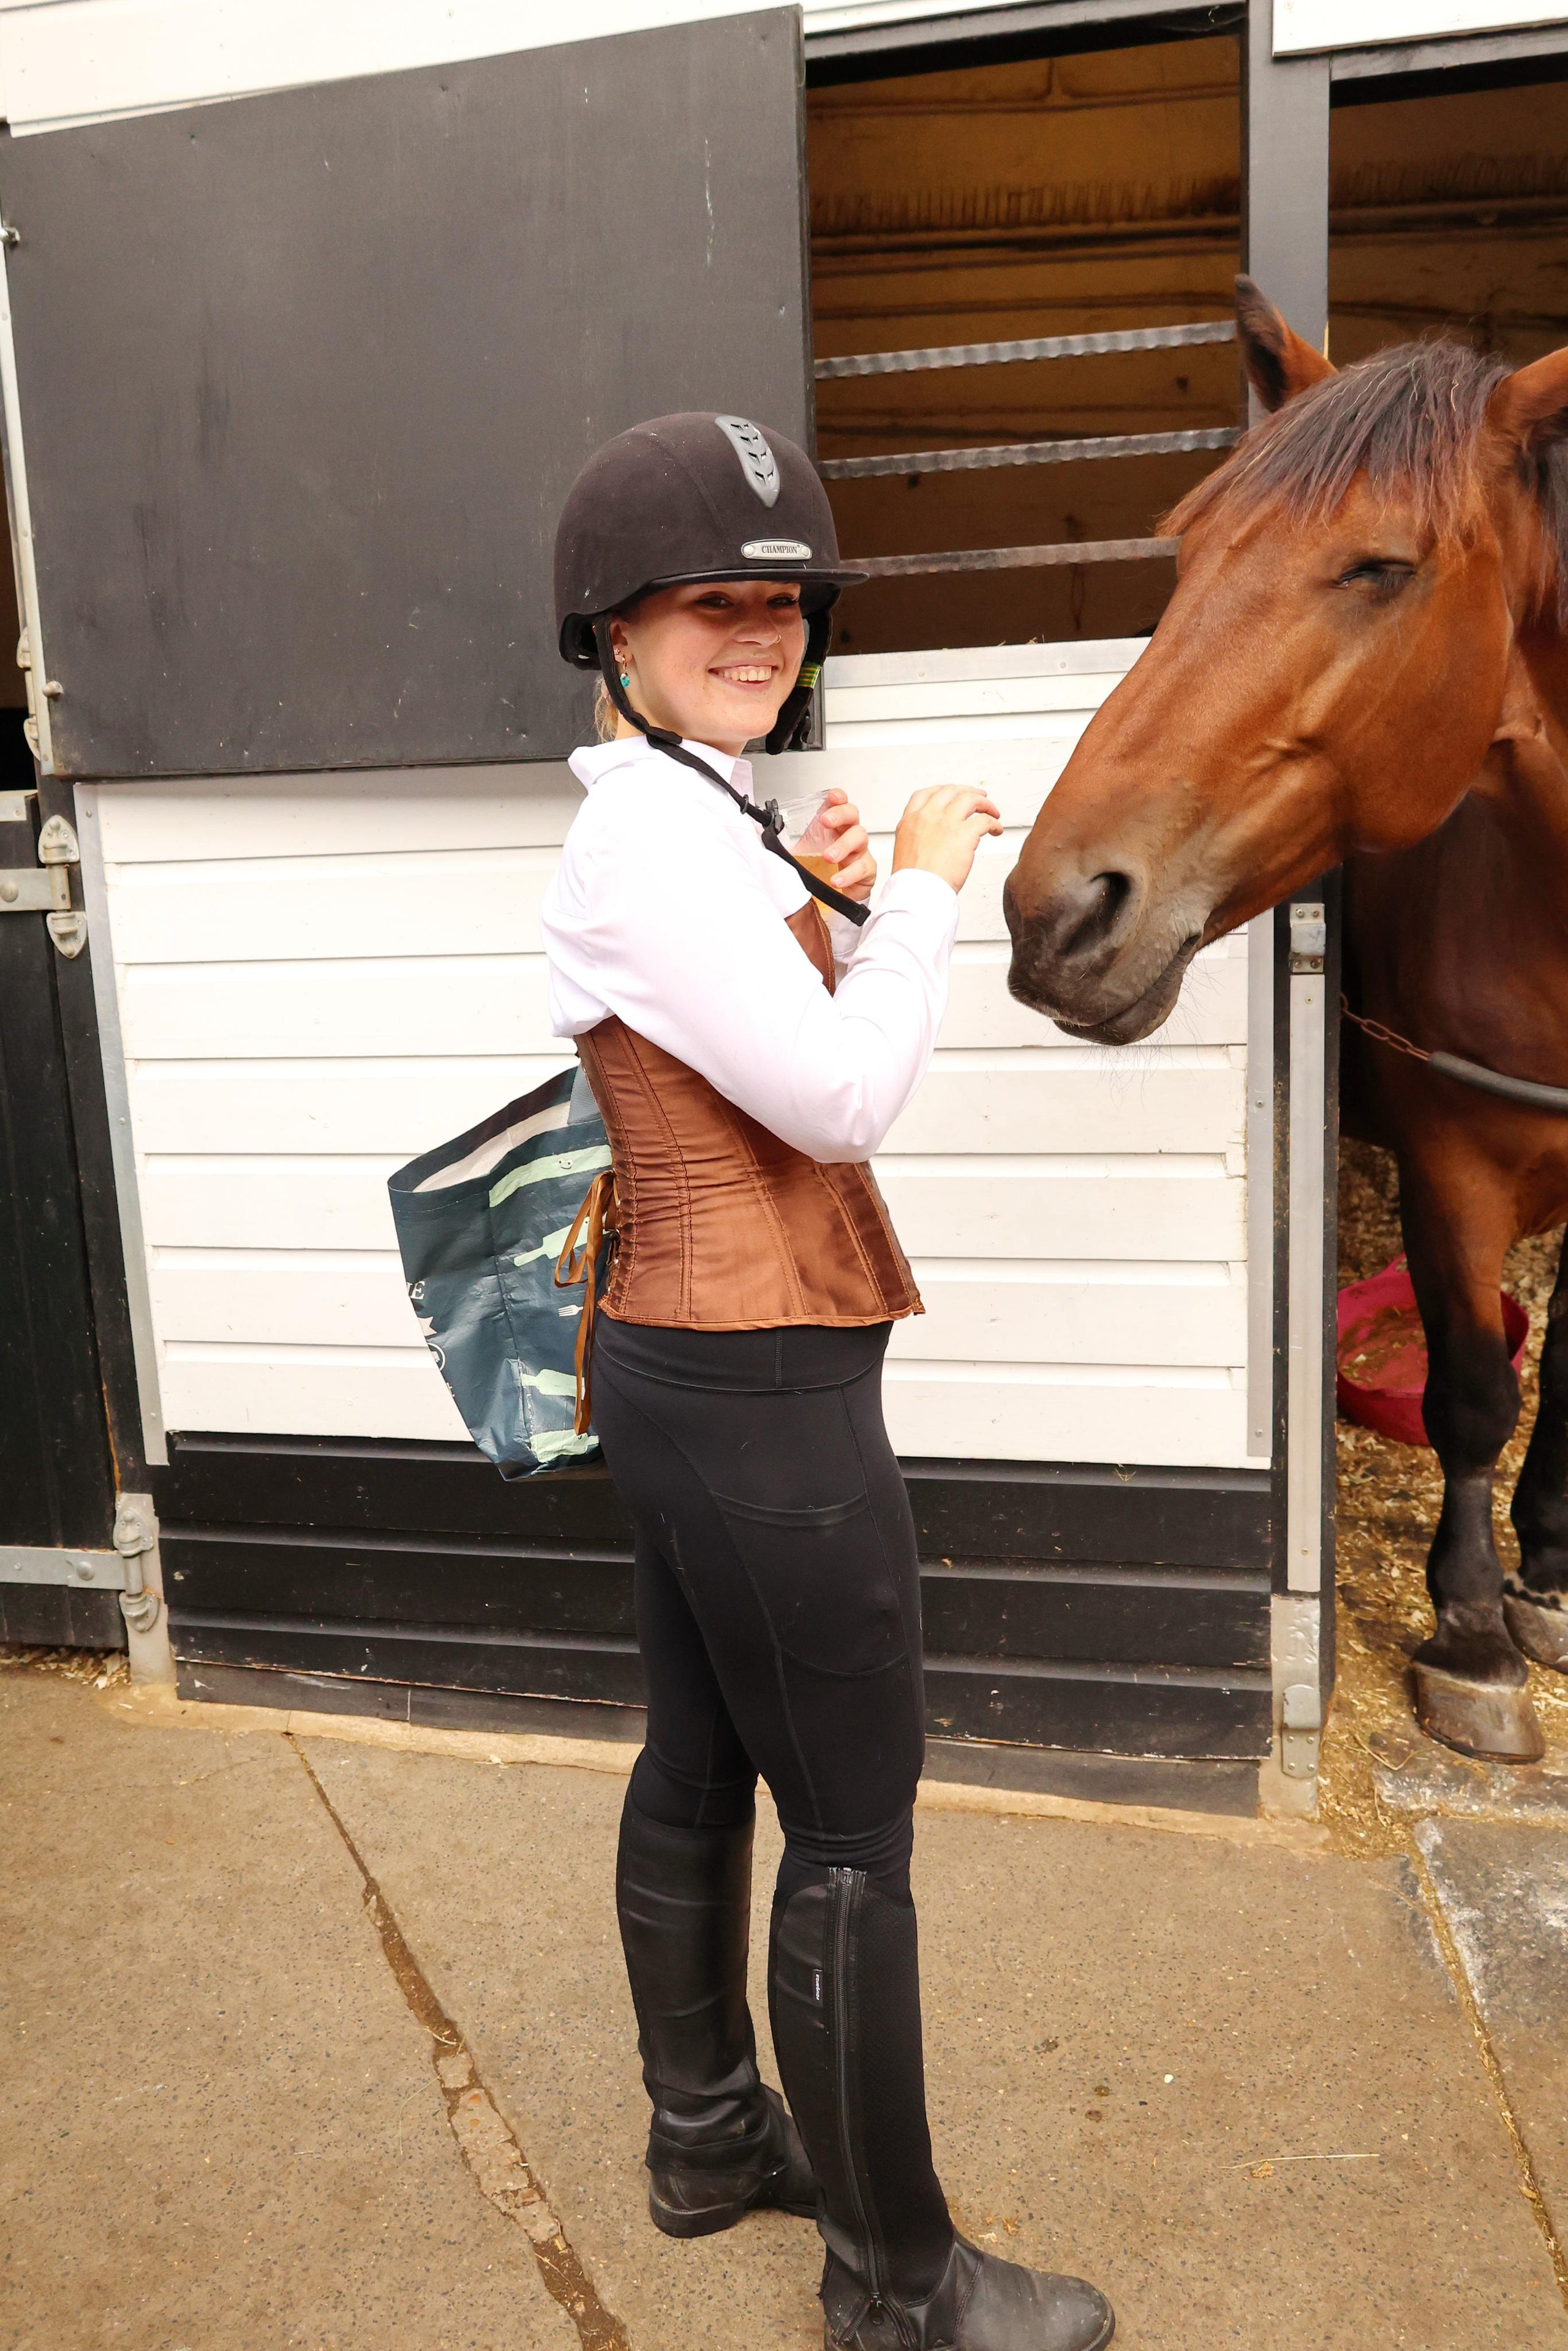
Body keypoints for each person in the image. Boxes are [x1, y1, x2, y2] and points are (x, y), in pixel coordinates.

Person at [540, 411, 1114, 2351]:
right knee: (856, 1828)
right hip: (758, 1379)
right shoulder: (645, 830)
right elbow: (840, 1091)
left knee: (705, 1758)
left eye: (782, 605)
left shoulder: (689, 810)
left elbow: (752, 1017)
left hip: (705, 1364)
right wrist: (936, 887)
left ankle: (707, 2140)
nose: (760, 632)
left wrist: (829, 885)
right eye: (715, 603)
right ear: (610, 625)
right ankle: (901, 2285)